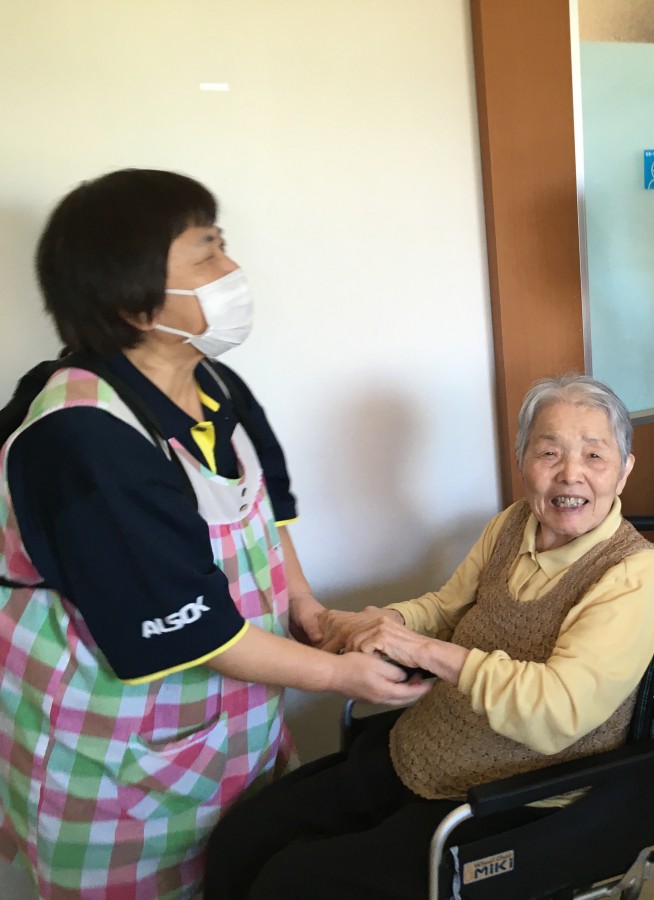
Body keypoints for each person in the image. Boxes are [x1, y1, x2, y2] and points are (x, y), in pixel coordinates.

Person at [0, 169, 421, 899]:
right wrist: (339, 676)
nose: (232, 270)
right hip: (116, 759)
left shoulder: (216, 387)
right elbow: (190, 628)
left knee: (242, 871)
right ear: (132, 301)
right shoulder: (83, 439)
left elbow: (267, 514)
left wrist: (308, 608)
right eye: (207, 253)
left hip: (225, 731)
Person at [202, 374, 654, 900]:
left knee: (292, 883)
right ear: (522, 460)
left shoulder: (633, 572)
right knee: (244, 838)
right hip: (427, 743)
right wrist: (381, 623)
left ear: (624, 471)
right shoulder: (512, 524)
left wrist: (420, 649)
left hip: (518, 794)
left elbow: (558, 712)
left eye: (594, 456)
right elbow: (446, 608)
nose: (571, 474)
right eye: (549, 453)